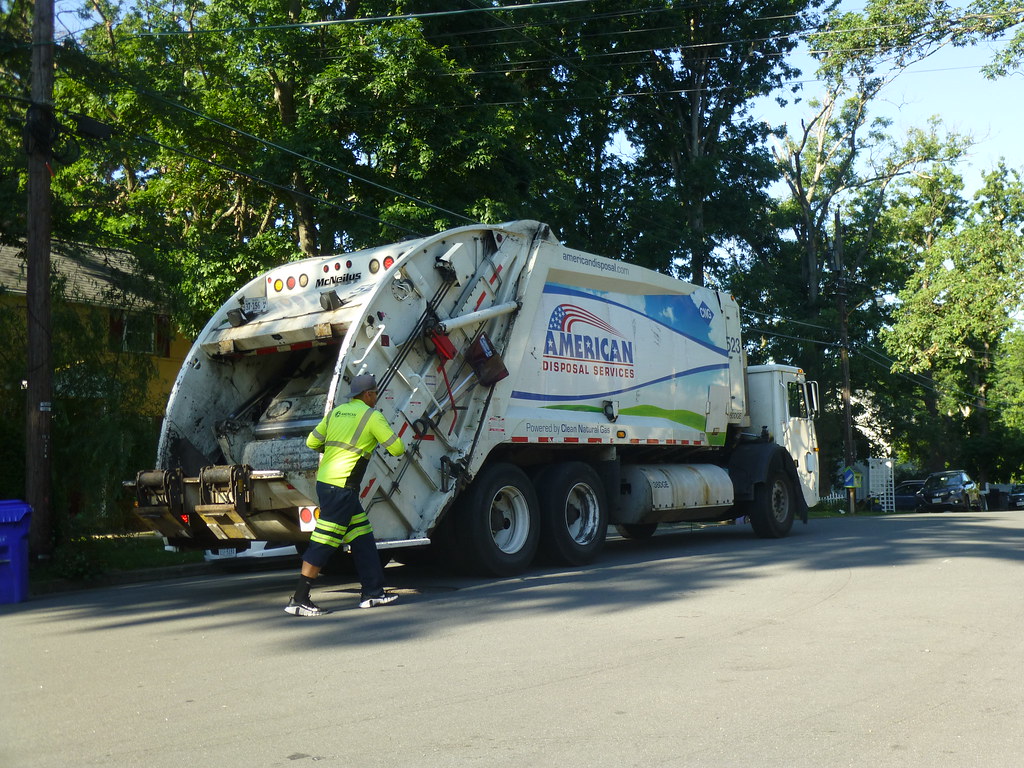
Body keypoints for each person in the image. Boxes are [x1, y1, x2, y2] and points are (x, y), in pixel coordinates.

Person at [285, 373, 405, 616]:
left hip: (328, 484)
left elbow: (312, 442)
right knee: (323, 541)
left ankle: (373, 592)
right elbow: (397, 448)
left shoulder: (336, 413)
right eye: (375, 393)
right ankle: (299, 598)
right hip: (341, 489)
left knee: (362, 536)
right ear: (369, 394)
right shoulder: (372, 416)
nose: (376, 397)